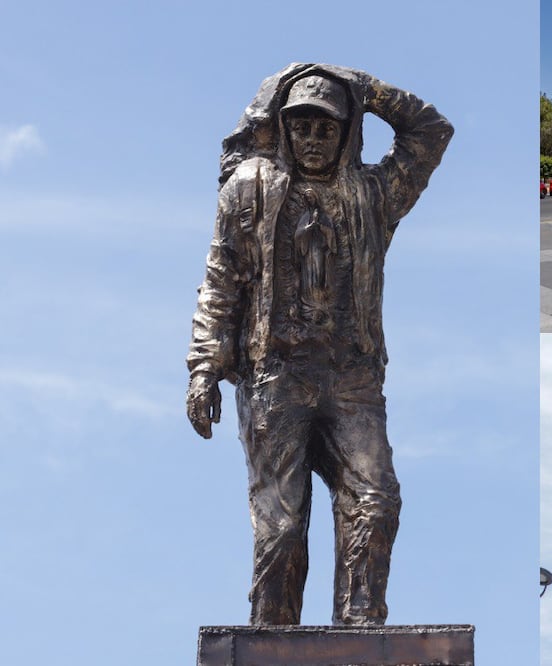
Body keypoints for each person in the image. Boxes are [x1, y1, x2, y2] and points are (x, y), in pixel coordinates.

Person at [185, 63, 453, 626]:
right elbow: (221, 279)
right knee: (281, 528)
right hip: (275, 375)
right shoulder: (248, 188)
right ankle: (271, 640)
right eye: (300, 126)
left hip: (351, 377)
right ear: (281, 128)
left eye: (326, 127)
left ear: (348, 130)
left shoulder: (374, 195)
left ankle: (360, 636)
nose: (311, 139)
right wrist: (205, 367)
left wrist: (365, 87)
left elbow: (430, 131)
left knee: (375, 503)